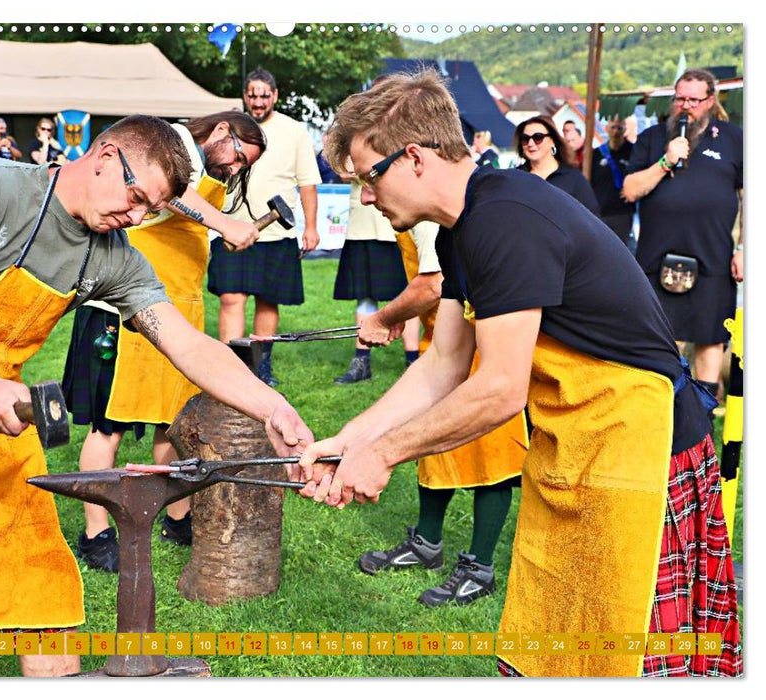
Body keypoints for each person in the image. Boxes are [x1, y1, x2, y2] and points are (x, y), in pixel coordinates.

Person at [0, 115, 312, 677]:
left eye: (149, 210)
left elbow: (189, 345)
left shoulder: (112, 256)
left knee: (44, 594)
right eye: (134, 198)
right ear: (103, 155)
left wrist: (274, 407)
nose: (135, 217)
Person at [298, 69, 740, 677]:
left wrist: (383, 455)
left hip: (643, 446)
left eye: (367, 176)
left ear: (416, 158)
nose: (365, 196)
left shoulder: (502, 219)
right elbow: (445, 364)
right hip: (582, 441)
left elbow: (499, 388)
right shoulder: (462, 230)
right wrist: (349, 442)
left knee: (625, 660)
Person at [63, 111, 266, 570]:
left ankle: (177, 517)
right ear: (220, 131)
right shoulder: (169, 139)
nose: (234, 169)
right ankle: (96, 533)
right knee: (106, 427)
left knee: (172, 421)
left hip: (176, 316)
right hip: (121, 312)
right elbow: (170, 192)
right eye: (237, 156)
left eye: (243, 167)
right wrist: (224, 224)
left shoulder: (204, 173)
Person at [354, 220, 527, 606]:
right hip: (444, 343)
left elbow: (432, 284)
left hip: (484, 346)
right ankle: (426, 543)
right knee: (434, 449)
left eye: (369, 179)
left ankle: (480, 567)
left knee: (490, 460)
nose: (367, 198)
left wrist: (386, 317)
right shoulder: (409, 212)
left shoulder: (428, 217)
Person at [622, 68, 743, 410]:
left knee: (710, 343)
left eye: (693, 100)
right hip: (656, 259)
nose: (685, 106)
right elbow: (630, 191)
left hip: (713, 259)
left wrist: (745, 249)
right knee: (660, 344)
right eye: (680, 99)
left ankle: (701, 425)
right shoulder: (653, 138)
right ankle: (662, 422)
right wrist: (665, 161)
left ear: (710, 101)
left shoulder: (734, 138)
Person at [208, 68, 322, 386]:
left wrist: (310, 227)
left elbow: (308, 182)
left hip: (276, 233)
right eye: (252, 95)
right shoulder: (229, 126)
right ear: (245, 96)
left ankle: (261, 365)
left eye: (264, 95)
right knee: (231, 298)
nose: (258, 102)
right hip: (232, 227)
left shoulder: (294, 130)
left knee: (267, 299)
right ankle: (230, 367)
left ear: (275, 95)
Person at [331, 181, 417, 384]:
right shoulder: (350, 149)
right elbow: (343, 170)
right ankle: (362, 364)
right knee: (365, 294)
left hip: (399, 224)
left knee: (409, 294)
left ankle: (414, 363)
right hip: (362, 226)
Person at [515, 115, 600, 215]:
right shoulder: (516, 178)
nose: (530, 143)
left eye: (538, 137)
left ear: (552, 140)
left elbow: (593, 219)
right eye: (525, 138)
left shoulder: (573, 178)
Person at [591, 115, 638, 248]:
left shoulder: (634, 152)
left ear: (625, 129)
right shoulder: (596, 154)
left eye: (619, 127)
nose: (616, 131)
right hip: (600, 212)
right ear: (606, 129)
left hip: (622, 212)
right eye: (613, 127)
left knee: (620, 249)